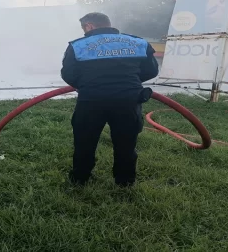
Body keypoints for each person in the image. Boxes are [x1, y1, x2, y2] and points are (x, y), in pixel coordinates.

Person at [61, 12, 159, 187]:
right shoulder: (138, 43)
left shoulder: (78, 46)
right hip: (128, 100)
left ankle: (80, 178)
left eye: (84, 28)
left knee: (85, 141)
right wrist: (128, 83)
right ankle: (125, 182)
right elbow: (151, 71)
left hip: (91, 100)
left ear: (89, 26)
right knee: (126, 143)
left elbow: (69, 74)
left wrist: (88, 84)